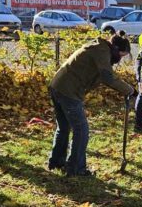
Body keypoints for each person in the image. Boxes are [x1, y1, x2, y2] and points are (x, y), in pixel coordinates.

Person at [49, 34, 135, 176]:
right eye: (121, 55)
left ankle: (57, 162)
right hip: (68, 90)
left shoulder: (99, 47)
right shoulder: (102, 52)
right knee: (81, 130)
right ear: (115, 49)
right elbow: (108, 77)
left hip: (58, 86)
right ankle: (76, 168)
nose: (119, 59)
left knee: (64, 127)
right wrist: (129, 90)